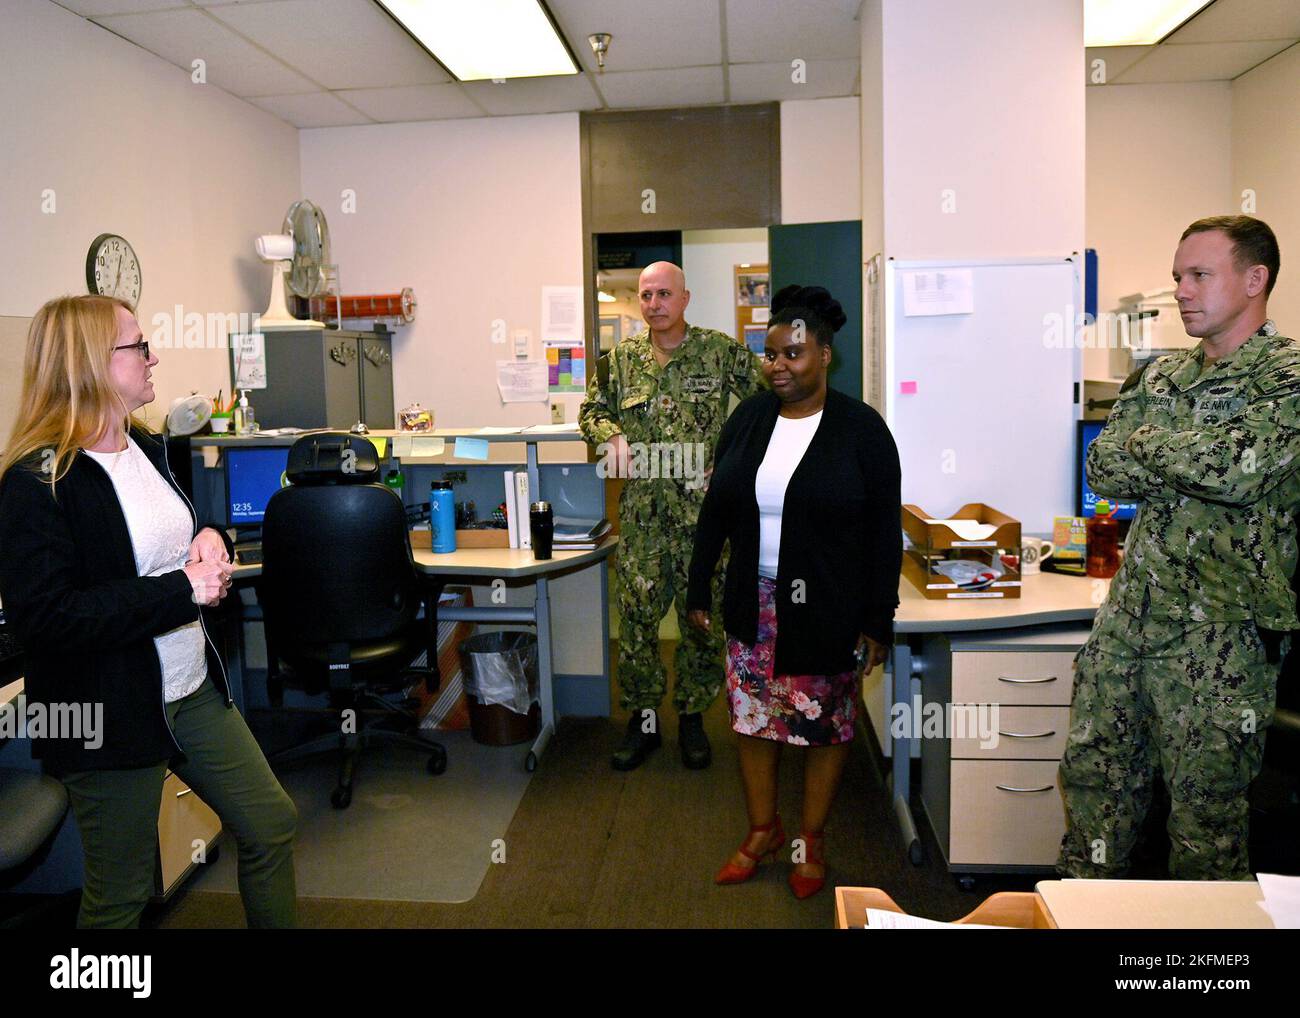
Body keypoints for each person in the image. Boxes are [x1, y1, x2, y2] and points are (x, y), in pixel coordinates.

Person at [0, 295, 298, 928]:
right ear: (89, 363)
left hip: (189, 688)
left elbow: (168, 542)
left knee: (270, 824)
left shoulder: (146, 445)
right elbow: (49, 620)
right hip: (107, 709)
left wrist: (209, 536)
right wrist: (180, 590)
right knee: (120, 895)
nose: (152, 355)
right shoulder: (38, 482)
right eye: (138, 346)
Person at [1058, 215, 1300, 880]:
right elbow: (1100, 469)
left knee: (1205, 827)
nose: (1182, 292)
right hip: (1128, 625)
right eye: (1177, 278)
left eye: (1199, 276)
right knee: (1093, 795)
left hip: (1219, 643)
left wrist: (1146, 448)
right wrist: (1177, 455)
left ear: (1256, 280)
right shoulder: (1160, 376)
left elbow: (1237, 469)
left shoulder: (1286, 377)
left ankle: (1204, 973)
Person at [686, 285, 902, 898]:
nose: (778, 366)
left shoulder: (862, 431)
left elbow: (885, 534)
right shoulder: (750, 418)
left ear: (825, 355)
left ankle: (811, 839)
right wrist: (699, 585)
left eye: (793, 354)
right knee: (753, 720)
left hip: (826, 605)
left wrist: (876, 619)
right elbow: (717, 510)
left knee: (823, 724)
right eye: (770, 353)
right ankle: (763, 831)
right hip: (752, 601)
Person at [579, 261, 765, 770]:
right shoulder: (619, 362)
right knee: (637, 625)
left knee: (700, 622)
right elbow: (590, 411)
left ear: (685, 298)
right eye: (645, 295)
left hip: (703, 520)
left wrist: (730, 465)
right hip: (640, 518)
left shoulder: (718, 351)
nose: (654, 304)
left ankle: (691, 721)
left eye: (664, 294)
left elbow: (765, 406)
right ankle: (643, 724)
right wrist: (610, 435)